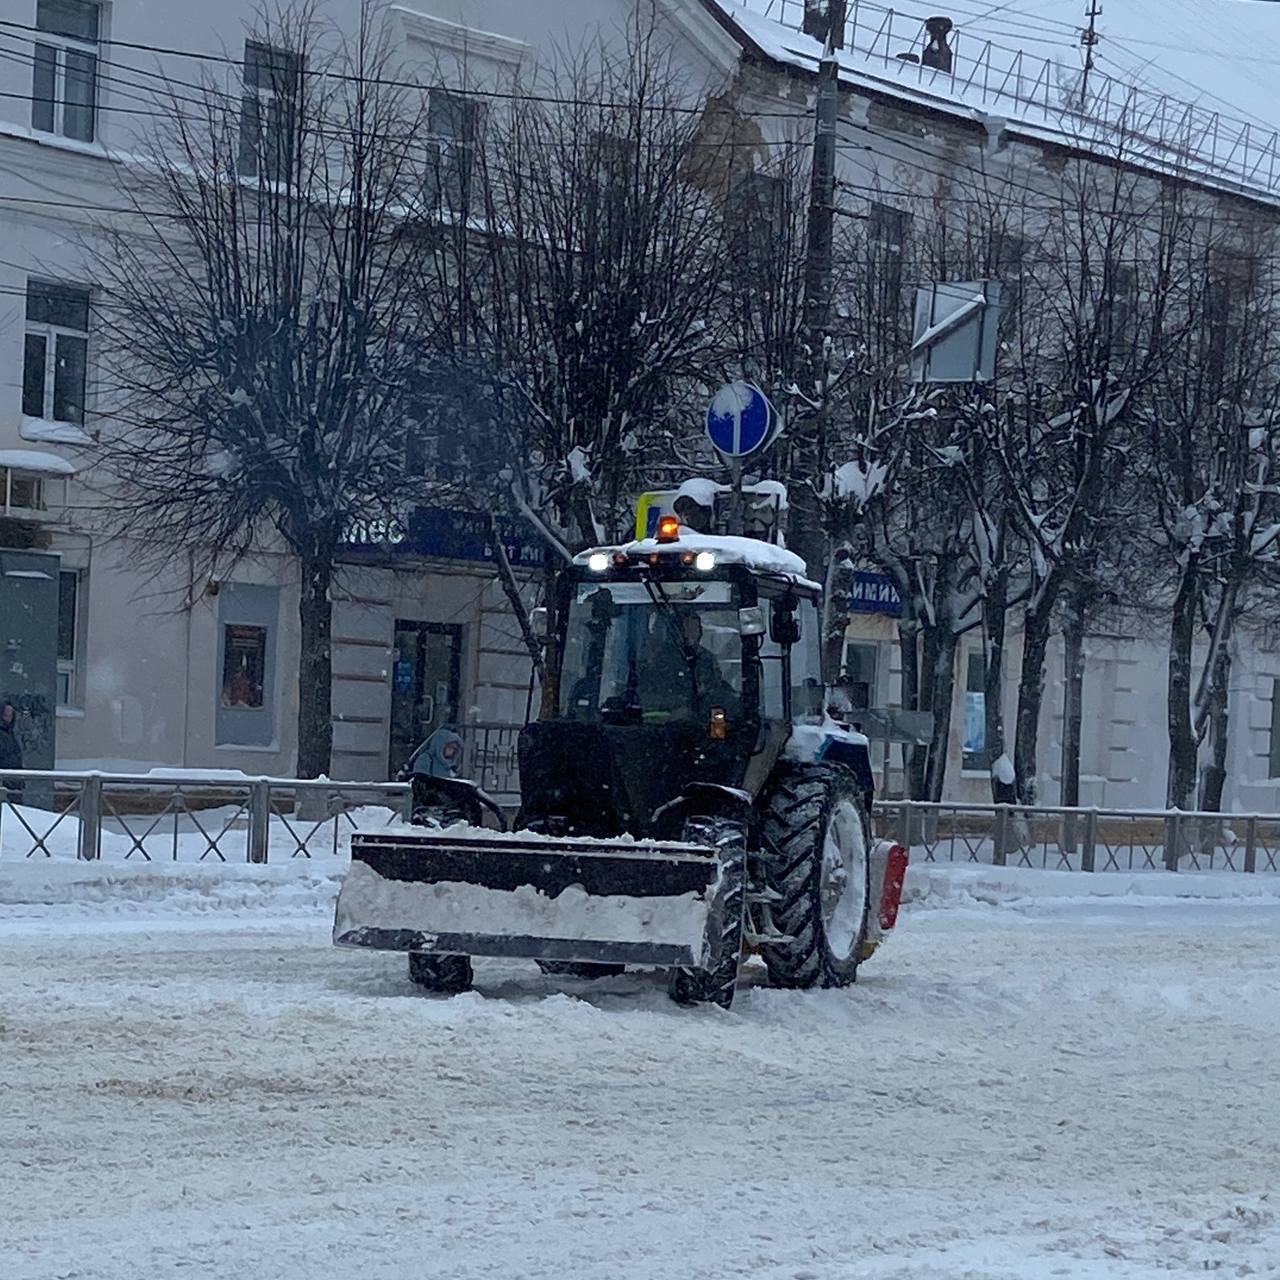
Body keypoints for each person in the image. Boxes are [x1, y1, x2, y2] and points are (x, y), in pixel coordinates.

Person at [639, 612, 736, 718]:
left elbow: (716, 686)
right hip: (667, 722)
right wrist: (678, 706)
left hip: (702, 718)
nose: (689, 634)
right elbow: (651, 694)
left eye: (694, 629)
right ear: (676, 632)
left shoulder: (707, 658)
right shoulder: (660, 659)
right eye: (686, 629)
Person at [0, 701, 24, 804]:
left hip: (13, 780)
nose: (8, 718)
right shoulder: (3, 734)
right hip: (5, 779)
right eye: (6, 715)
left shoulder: (11, 733)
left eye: (11, 715)